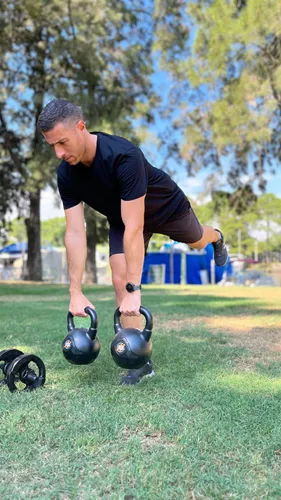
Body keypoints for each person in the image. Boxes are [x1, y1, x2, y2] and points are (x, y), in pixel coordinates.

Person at [38, 99, 228, 385]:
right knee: (119, 281)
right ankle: (139, 359)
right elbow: (75, 232)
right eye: (53, 146)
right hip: (123, 219)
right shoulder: (66, 173)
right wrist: (75, 291)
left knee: (198, 240)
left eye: (62, 142)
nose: (59, 153)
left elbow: (136, 225)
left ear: (81, 127)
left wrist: (135, 288)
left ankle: (218, 237)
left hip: (166, 208)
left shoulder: (123, 155)